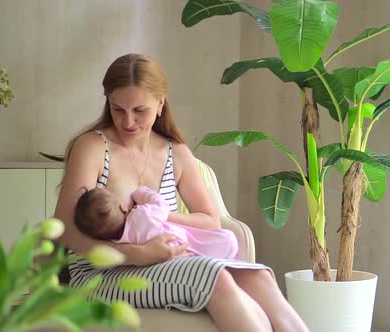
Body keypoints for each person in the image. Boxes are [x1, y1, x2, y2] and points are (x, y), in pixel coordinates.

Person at [54, 53, 309, 332]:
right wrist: (135, 254)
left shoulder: (176, 153)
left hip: (168, 260)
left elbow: (209, 219)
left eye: (140, 111)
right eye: (118, 109)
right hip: (100, 271)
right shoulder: (92, 147)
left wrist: (161, 217)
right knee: (217, 278)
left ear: (160, 104)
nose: (128, 122)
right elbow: (65, 229)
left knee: (259, 276)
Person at [73, 185, 238, 259]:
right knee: (227, 239)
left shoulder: (116, 240)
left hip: (172, 259)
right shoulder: (141, 217)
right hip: (180, 241)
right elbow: (160, 204)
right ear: (124, 208)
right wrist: (141, 192)